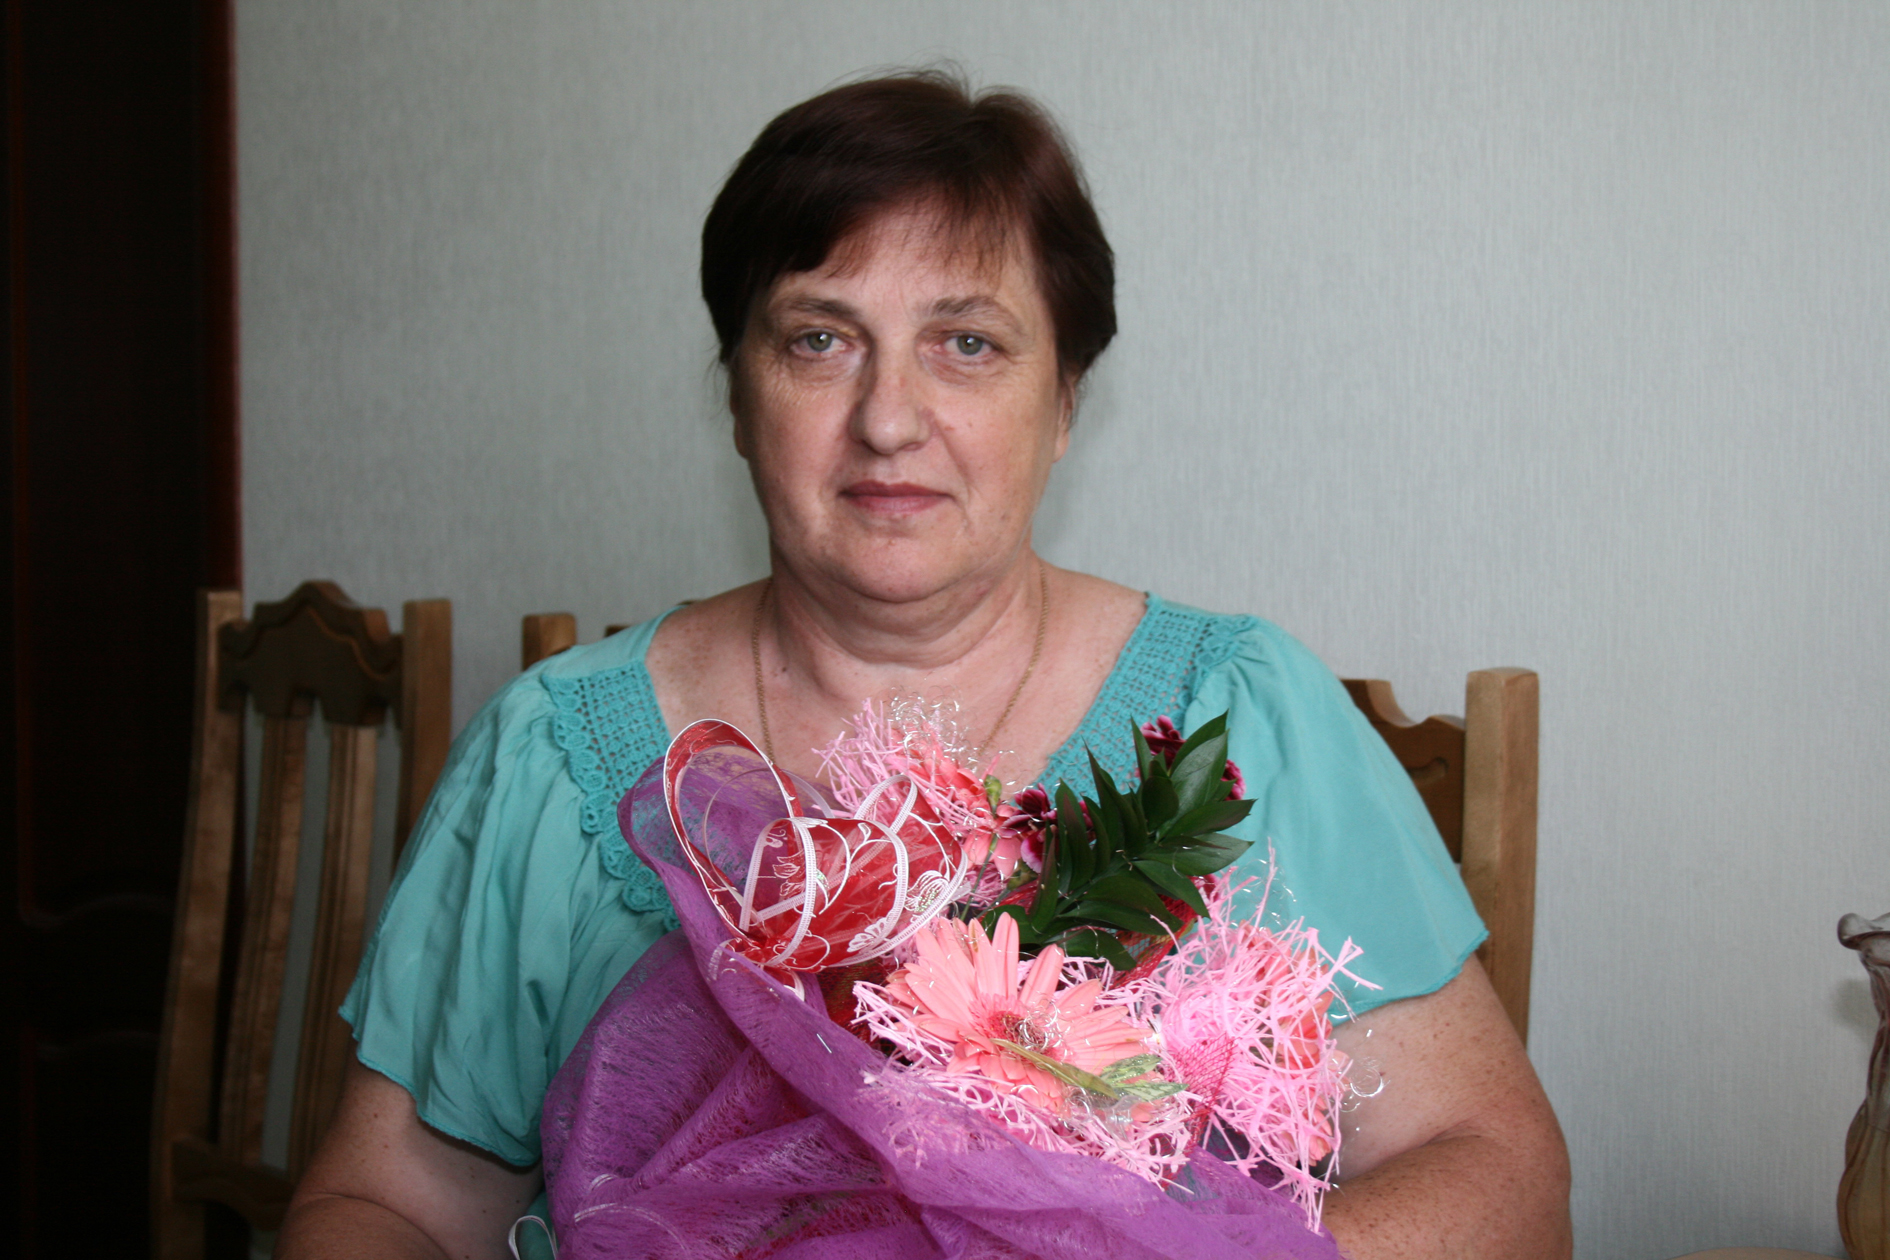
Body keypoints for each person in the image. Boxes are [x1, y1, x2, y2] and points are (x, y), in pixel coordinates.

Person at [280, 71, 1570, 1259]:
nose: (890, 419)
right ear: (737, 397)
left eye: (968, 343)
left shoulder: (1242, 717)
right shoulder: (554, 758)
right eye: (818, 339)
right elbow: (386, 1205)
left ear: (1066, 401)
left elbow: (1501, 1178)